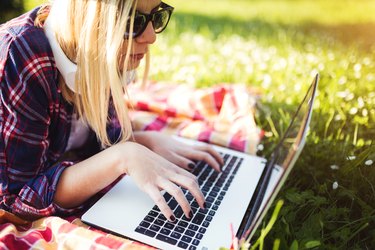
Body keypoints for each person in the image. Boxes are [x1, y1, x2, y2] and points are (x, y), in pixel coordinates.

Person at [0, 0, 224, 222]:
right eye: (131, 21)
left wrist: (145, 142)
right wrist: (123, 157)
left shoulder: (101, 53)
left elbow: (102, 138)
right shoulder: (21, 53)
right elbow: (16, 199)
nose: (151, 37)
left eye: (157, 16)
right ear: (89, 19)